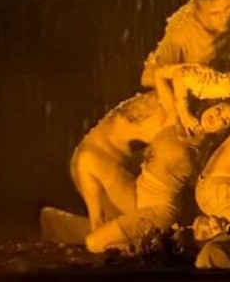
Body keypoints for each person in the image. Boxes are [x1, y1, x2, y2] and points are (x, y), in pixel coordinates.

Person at [84, 98, 230, 253]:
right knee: (88, 159)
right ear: (211, 104)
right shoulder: (176, 116)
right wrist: (184, 111)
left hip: (159, 209)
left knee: (93, 242)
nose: (217, 117)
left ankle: (127, 251)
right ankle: (98, 225)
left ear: (222, 130)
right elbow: (161, 79)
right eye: (219, 109)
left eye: (224, 121)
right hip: (138, 189)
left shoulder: (204, 151)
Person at [70, 91, 168, 231]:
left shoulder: (127, 126)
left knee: (87, 160)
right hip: (144, 210)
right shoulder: (96, 151)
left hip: (152, 207)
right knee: (87, 159)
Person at [140, 0, 230, 88]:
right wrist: (187, 73)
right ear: (198, 13)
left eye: (226, 9)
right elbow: (148, 78)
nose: (224, 18)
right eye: (215, 13)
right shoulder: (180, 34)